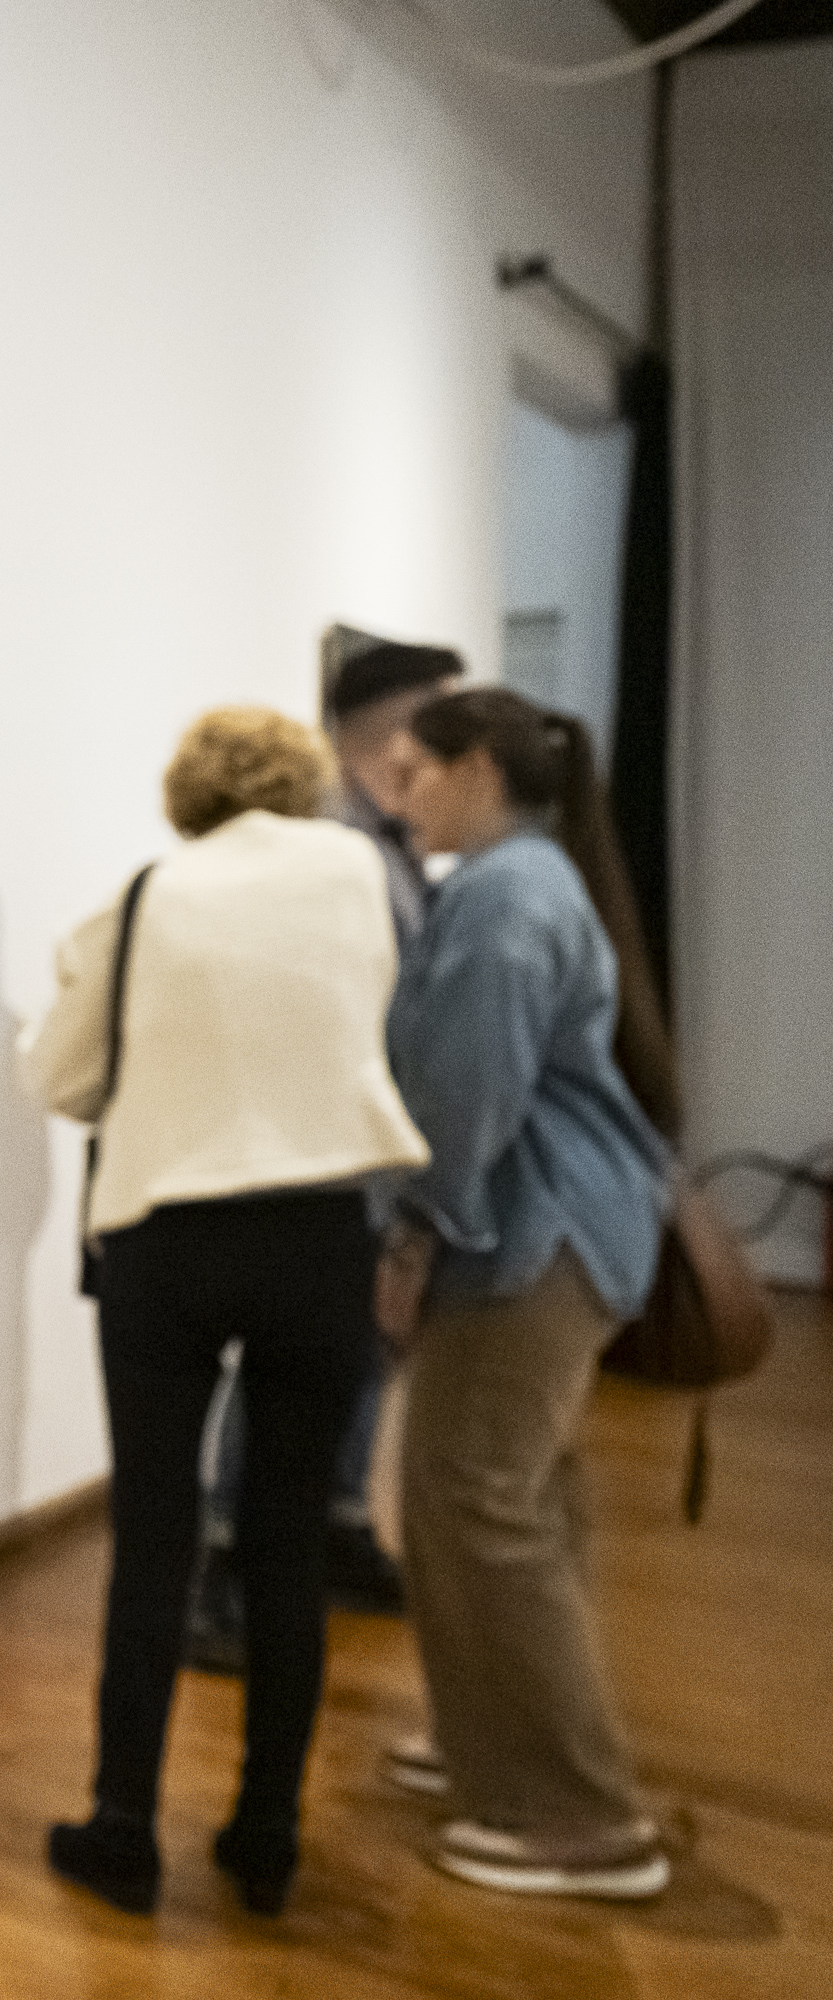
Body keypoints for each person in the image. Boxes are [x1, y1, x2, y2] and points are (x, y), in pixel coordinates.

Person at [21, 707, 430, 1916]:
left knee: (155, 1535)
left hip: (170, 1240)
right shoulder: (357, 872)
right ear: (304, 785)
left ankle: (124, 1826)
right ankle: (264, 1834)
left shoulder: (147, 895)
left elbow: (61, 1076)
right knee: (286, 1541)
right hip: (317, 1234)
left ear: (186, 793)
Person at [379, 688, 676, 1900]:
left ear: (477, 770)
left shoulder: (505, 895)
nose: (402, 795)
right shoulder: (536, 880)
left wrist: (414, 1235)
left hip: (527, 1239)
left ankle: (579, 1816)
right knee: (510, 1497)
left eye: (417, 772)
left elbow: (463, 1097)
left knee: (477, 1498)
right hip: (566, 1232)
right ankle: (488, 1743)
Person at [188, 642, 461, 1667]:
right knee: (290, 1367)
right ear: (386, 731)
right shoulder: (330, 849)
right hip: (319, 1157)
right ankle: (224, 1563)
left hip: (368, 1154)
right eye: (436, 720)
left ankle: (338, 1524)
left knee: (352, 1361)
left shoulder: (385, 844)